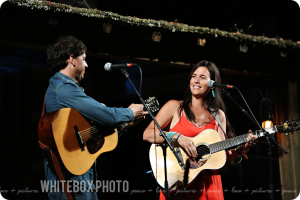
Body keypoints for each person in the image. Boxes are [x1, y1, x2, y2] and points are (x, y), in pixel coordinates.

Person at [43, 35, 148, 200]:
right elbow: (106, 116)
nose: (86, 65)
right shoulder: (64, 89)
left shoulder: (64, 89)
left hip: (78, 176)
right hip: (70, 180)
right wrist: (129, 112)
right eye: (83, 59)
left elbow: (93, 131)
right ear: (72, 59)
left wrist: (125, 125)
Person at [143, 60, 258, 200]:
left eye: (202, 77)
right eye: (194, 76)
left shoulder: (218, 115)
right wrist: (177, 137)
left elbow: (222, 155)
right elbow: (148, 134)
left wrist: (241, 149)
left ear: (212, 85)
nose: (196, 81)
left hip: (209, 187)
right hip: (180, 184)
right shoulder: (174, 107)